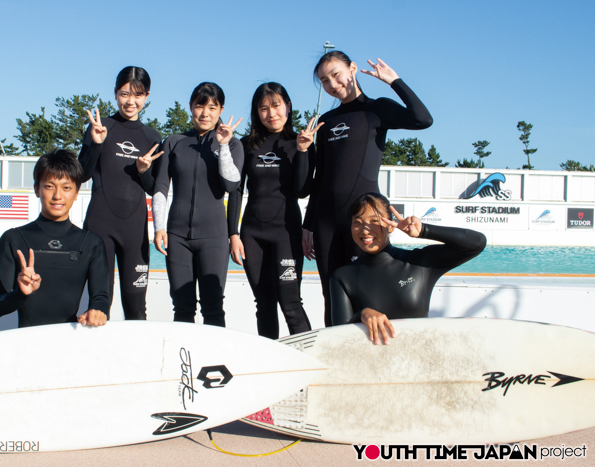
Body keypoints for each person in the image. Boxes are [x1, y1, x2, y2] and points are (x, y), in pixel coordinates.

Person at [302, 51, 433, 327]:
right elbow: (320, 177)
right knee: (332, 294)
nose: (332, 84)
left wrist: (393, 81)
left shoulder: (376, 109)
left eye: (336, 74)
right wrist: (308, 225)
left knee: (370, 293)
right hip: (326, 222)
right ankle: (338, 356)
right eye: (324, 81)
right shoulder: (326, 121)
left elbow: (423, 119)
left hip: (363, 221)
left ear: (352, 69)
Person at [227, 82, 321, 339]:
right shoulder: (246, 144)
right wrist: (233, 234)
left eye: (276, 106)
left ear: (288, 106)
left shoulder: (300, 142)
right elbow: (236, 190)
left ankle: (307, 362)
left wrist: (303, 151)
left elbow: (302, 190)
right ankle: (270, 364)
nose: (271, 114)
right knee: (264, 304)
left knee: (291, 303)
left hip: (286, 233)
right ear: (257, 112)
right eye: (263, 108)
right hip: (252, 234)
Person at [330, 193, 486, 344]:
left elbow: (476, 244)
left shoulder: (419, 263)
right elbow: (339, 337)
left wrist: (424, 230)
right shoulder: (342, 277)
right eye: (357, 222)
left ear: (391, 226)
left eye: (375, 221)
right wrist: (362, 315)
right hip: (372, 365)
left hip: (419, 362)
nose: (364, 229)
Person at [152, 82, 244, 327]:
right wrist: (159, 227)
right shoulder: (173, 142)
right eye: (200, 106)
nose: (205, 113)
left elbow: (232, 185)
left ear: (221, 109)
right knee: (182, 309)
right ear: (190, 106)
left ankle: (215, 363)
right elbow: (160, 187)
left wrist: (223, 146)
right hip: (177, 236)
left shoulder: (233, 144)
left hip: (213, 237)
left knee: (213, 308)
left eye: (213, 107)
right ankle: (183, 363)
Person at [0, 150, 111, 328]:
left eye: (66, 187)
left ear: (76, 193)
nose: (57, 196)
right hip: (27, 342)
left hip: (69, 340)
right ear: (37, 189)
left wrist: (97, 311)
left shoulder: (91, 243)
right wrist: (21, 293)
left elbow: (101, 298)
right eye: (49, 186)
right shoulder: (13, 239)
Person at [79, 66, 163, 320]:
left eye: (137, 95)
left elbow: (151, 187)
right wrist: (96, 143)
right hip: (99, 225)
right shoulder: (100, 127)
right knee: (99, 306)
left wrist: (142, 170)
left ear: (147, 96)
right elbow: (81, 174)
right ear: (115, 93)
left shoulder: (152, 136)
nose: (131, 101)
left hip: (135, 230)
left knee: (136, 308)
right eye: (125, 94)